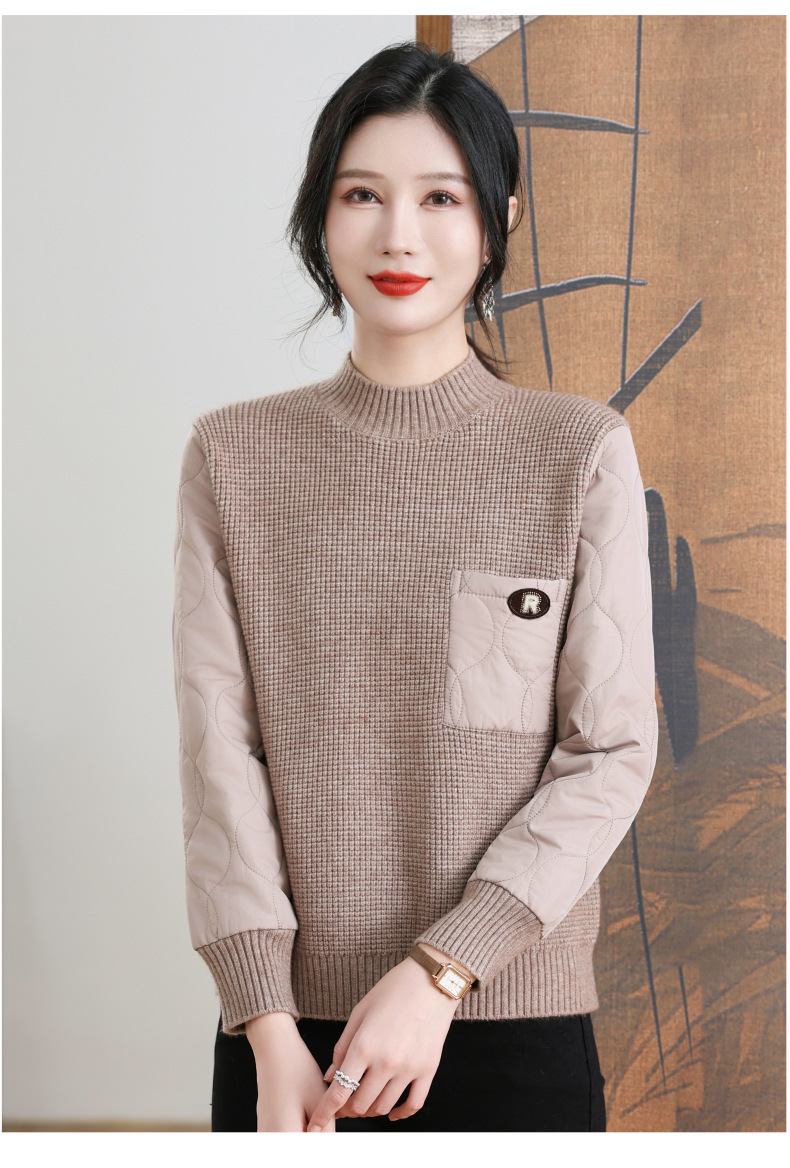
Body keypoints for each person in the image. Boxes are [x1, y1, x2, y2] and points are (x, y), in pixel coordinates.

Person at [173, 41, 658, 1134]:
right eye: (362, 195)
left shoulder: (577, 451)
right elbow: (219, 756)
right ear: (319, 218)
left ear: (500, 218)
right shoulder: (232, 456)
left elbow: (610, 749)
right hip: (287, 1045)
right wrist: (265, 1023)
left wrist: (443, 967)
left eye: (441, 196)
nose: (399, 234)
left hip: (514, 1021)